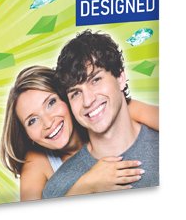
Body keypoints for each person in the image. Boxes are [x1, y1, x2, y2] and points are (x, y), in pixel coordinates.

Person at [1, 66, 157, 200]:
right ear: (26, 134)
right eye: (32, 121)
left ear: (67, 97)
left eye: (51, 103)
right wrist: (87, 185)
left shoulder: (105, 112)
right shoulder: (36, 162)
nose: (48, 123)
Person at [42, 31, 159, 198]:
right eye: (76, 93)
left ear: (120, 78)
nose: (88, 101)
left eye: (95, 80)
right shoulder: (58, 188)